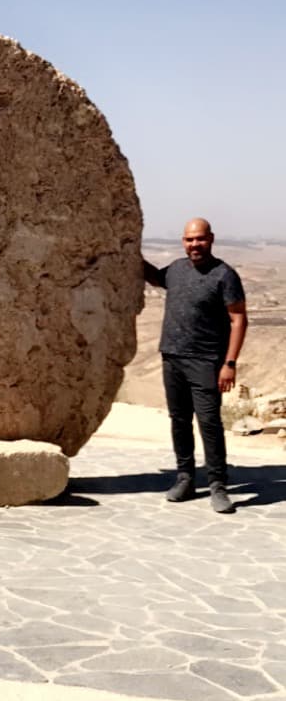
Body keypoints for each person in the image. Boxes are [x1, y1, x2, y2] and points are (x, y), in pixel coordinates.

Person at [143, 219, 248, 514]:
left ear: (211, 239)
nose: (195, 245)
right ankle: (185, 478)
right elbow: (155, 277)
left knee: (209, 423)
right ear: (183, 241)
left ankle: (218, 485)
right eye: (190, 240)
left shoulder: (224, 275)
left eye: (200, 239)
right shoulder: (176, 269)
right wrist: (128, 253)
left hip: (206, 360)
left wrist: (229, 363)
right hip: (172, 357)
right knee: (179, 421)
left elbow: (238, 318)